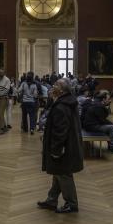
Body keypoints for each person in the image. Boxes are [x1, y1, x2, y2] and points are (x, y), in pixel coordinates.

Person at [37, 79, 84, 213]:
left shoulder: (61, 106)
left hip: (64, 148)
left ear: (62, 90)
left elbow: (60, 131)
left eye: (56, 85)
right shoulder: (66, 102)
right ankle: (52, 200)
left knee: (63, 174)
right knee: (58, 173)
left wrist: (56, 150)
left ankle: (71, 203)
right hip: (69, 145)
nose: (53, 86)